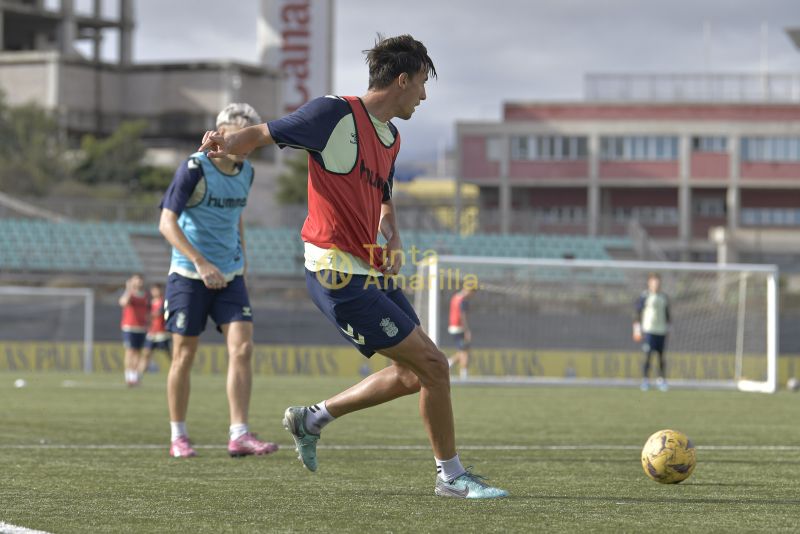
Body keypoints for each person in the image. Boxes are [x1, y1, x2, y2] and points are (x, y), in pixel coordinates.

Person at [199, 34, 507, 498]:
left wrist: (394, 233)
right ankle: (452, 476)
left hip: (369, 268)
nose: (424, 96)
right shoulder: (333, 114)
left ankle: (313, 418)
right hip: (334, 272)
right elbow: (265, 133)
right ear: (402, 80)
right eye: (422, 84)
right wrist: (225, 142)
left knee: (414, 373)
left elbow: (382, 191)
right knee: (435, 367)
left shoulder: (392, 136)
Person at [159, 103, 278, 459]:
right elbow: (167, 223)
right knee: (184, 355)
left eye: (249, 133)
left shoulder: (248, 172)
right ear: (220, 134)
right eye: (236, 131)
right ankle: (178, 435)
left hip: (230, 274)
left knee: (243, 348)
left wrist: (242, 257)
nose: (245, 139)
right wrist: (200, 261)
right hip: (189, 274)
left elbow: (237, 214)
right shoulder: (194, 168)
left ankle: (239, 433)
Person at [633, 272, 671, 392]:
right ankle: (645, 380)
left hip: (661, 330)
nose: (656, 284)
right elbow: (637, 313)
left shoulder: (664, 297)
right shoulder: (645, 296)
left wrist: (669, 327)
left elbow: (667, 314)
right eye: (654, 282)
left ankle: (661, 380)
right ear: (649, 283)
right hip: (648, 330)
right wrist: (637, 330)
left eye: (658, 282)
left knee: (661, 356)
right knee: (648, 355)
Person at [119, 273, 149, 386]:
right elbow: (123, 302)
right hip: (129, 327)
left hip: (141, 327)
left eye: (140, 280)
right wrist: (128, 289)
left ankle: (135, 376)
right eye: (136, 280)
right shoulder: (130, 294)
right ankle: (129, 376)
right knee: (130, 351)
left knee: (138, 352)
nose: (139, 282)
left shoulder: (145, 295)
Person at [139, 283, 171, 376]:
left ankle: (179, 372)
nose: (155, 292)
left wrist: (148, 315)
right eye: (153, 290)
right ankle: (137, 377)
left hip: (162, 333)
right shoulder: (150, 302)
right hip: (152, 333)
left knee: (170, 355)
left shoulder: (164, 302)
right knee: (146, 354)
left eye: (157, 289)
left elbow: (158, 313)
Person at [447, 287, 476, 380]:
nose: (472, 295)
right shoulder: (463, 301)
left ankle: (448, 363)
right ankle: (464, 376)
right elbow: (463, 316)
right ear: (468, 290)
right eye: (472, 293)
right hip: (460, 328)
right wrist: (467, 330)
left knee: (462, 351)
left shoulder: (455, 297)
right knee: (465, 352)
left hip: (453, 326)